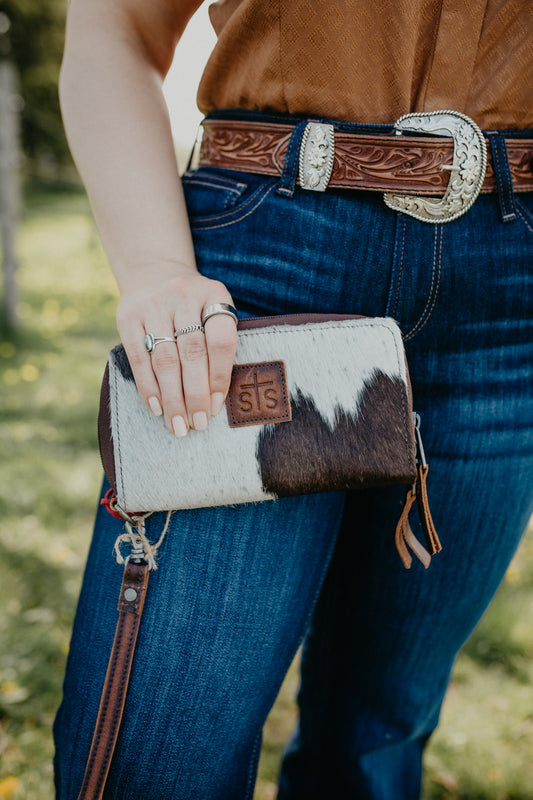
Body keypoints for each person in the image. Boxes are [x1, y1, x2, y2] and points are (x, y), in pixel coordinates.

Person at [54, 1, 533, 798]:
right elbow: (116, 28)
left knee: (377, 734)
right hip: (264, 267)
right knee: (163, 754)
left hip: (508, 295)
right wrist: (155, 267)